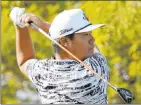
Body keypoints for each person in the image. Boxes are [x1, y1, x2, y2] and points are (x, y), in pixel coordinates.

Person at [10, 7, 110, 104]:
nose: (92, 39)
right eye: (86, 34)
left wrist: (20, 27)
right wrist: (44, 25)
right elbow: (95, 50)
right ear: (64, 41)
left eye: (90, 33)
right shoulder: (96, 69)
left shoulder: (43, 72)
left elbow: (24, 61)